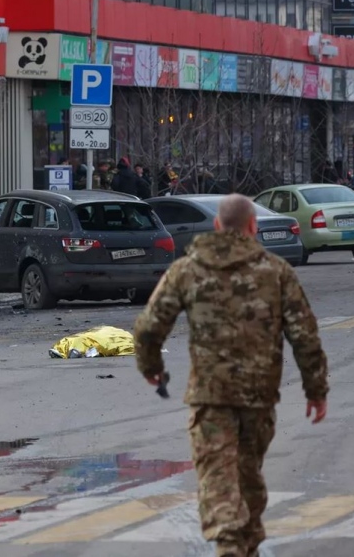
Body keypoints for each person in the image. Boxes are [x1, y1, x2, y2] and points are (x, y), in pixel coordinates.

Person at [132, 194, 329, 557]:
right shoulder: (276, 271)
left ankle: (231, 546)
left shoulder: (187, 270)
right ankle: (243, 545)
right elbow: (305, 335)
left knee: (220, 482)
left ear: (218, 225)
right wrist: (316, 390)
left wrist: (152, 370)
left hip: (211, 400)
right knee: (247, 477)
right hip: (259, 402)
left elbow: (147, 329)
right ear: (253, 227)